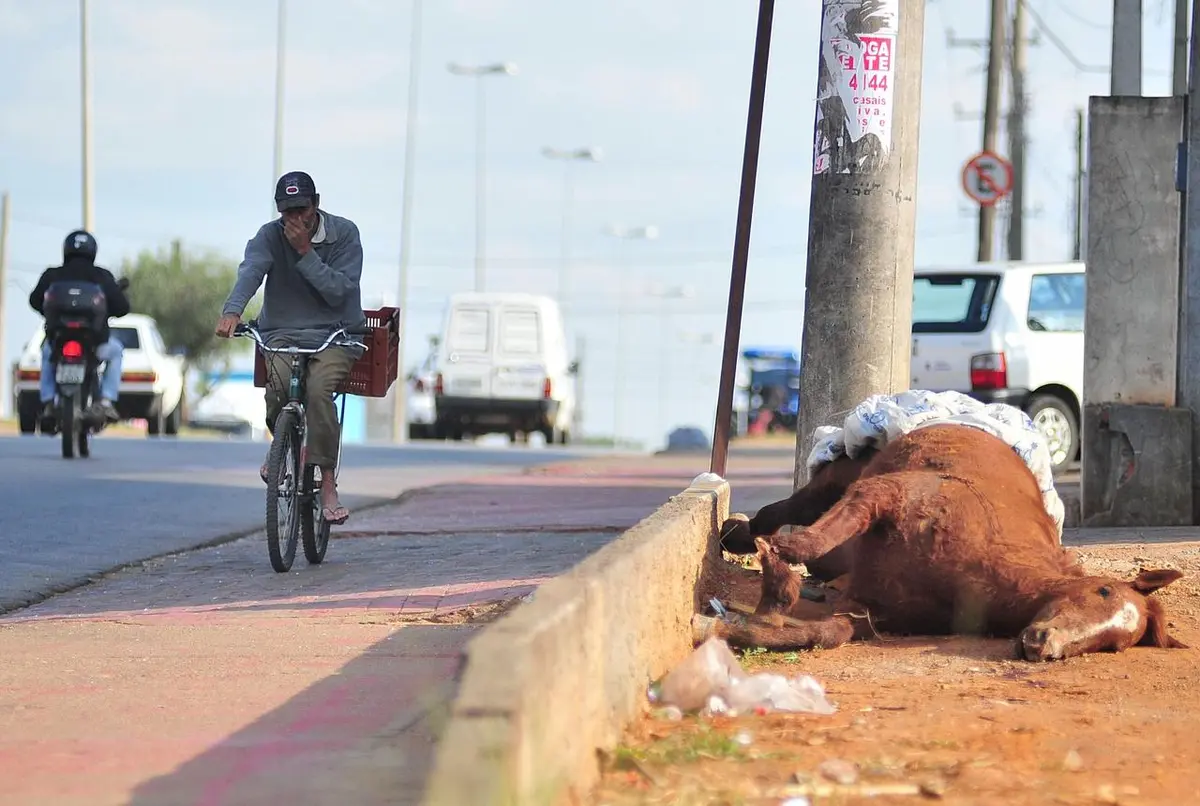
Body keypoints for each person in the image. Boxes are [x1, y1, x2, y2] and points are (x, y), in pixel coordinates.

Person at [215, 171, 366, 525]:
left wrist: (304, 252)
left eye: (302, 209)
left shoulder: (344, 234)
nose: (295, 219)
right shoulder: (269, 236)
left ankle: (328, 483)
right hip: (283, 332)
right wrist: (232, 310)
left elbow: (339, 291)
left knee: (318, 391)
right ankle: (282, 445)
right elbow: (251, 270)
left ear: (316, 203)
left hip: (336, 334)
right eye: (287, 212)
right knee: (277, 390)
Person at [28, 230, 130, 424]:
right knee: (116, 351)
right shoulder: (102, 276)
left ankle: (49, 401)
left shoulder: (53, 275)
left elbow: (35, 301)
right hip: (94, 343)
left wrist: (49, 313)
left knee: (47, 353)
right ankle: (106, 400)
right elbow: (122, 307)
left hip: (58, 339)